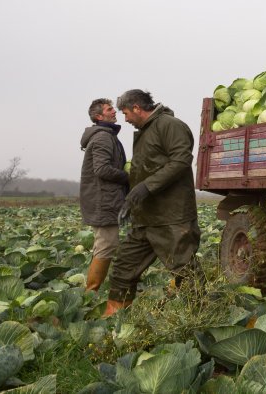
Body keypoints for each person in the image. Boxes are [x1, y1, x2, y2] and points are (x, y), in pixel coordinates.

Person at [103, 89, 201, 316]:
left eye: (126, 113)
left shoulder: (170, 125)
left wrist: (145, 187)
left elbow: (181, 160)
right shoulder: (146, 130)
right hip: (146, 217)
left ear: (137, 108)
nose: (125, 119)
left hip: (171, 216)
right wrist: (131, 201)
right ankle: (114, 319)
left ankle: (201, 316)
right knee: (123, 268)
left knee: (185, 271)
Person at [79, 98, 129, 292]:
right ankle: (91, 293)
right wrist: (128, 176)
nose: (114, 112)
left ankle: (92, 290)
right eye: (110, 110)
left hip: (106, 198)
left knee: (105, 244)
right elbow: (102, 169)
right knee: (106, 244)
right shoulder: (102, 137)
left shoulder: (106, 135)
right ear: (99, 116)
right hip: (104, 200)